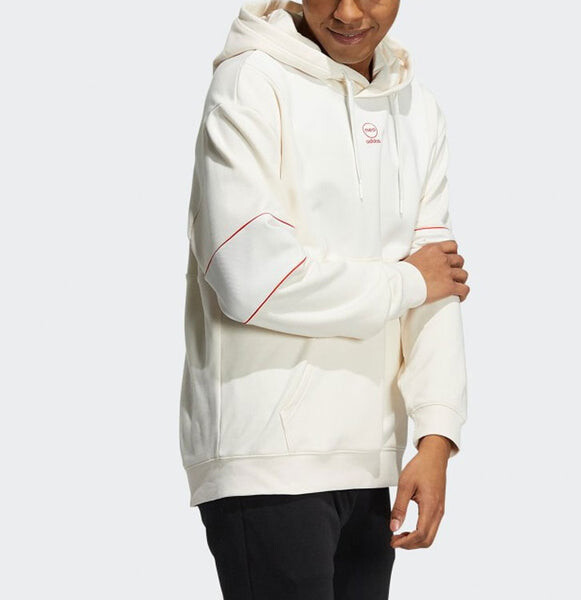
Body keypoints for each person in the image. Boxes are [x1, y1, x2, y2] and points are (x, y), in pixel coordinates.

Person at [179, 1, 470, 598]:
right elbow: (250, 278)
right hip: (265, 459)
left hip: (371, 457)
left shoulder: (418, 108)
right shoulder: (250, 82)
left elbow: (440, 280)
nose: (348, 12)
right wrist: (406, 281)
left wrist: (436, 436)